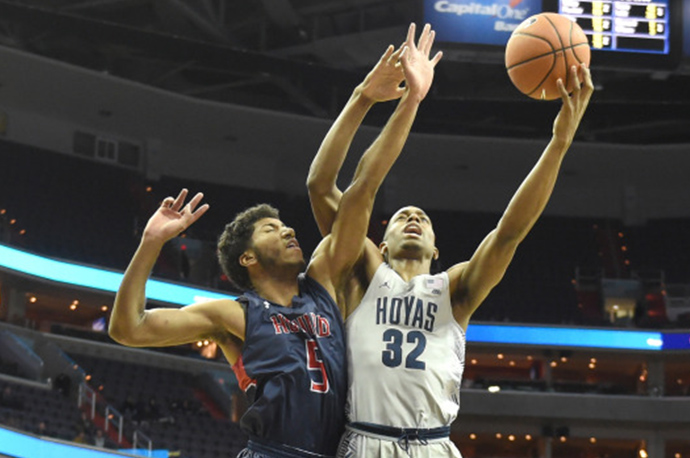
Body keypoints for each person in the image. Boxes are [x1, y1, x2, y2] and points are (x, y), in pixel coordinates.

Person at [108, 23, 440, 458]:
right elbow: (127, 329)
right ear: (247, 258)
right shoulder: (232, 315)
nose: (287, 230)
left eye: (284, 225)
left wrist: (388, 101)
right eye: (271, 229)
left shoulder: (323, 282)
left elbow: (361, 186)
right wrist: (151, 242)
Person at [307, 32, 594, 455]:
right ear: (380, 244)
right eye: (403, 215)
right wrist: (364, 98)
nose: (413, 218)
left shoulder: (454, 290)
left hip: (435, 444)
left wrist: (560, 143)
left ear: (437, 250)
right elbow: (325, 185)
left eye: (422, 218)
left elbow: (509, 232)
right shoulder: (362, 271)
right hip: (368, 439)